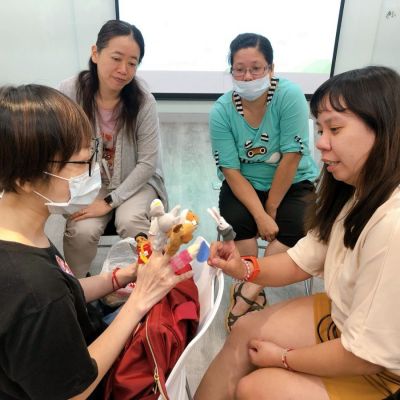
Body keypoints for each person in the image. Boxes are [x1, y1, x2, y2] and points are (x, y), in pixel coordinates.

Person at [194, 66, 400, 399]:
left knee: (255, 388)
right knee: (246, 330)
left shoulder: (392, 225)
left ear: (384, 128)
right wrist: (243, 267)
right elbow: (300, 260)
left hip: (379, 365)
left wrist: (284, 358)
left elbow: (366, 354)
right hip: (347, 320)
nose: (320, 143)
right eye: (320, 129)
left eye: (334, 129)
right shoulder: (353, 192)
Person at [0, 84, 191, 400]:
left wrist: (120, 277)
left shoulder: (19, 232)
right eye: (80, 164)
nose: (93, 174)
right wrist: (140, 299)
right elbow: (74, 392)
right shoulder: (34, 289)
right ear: (25, 178)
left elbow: (64, 290)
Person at [209, 33, 319, 330]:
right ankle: (252, 284)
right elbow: (231, 170)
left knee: (296, 225)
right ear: (231, 70)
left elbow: (292, 156)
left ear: (271, 68)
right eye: (239, 69)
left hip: (292, 181)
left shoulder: (289, 96)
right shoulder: (221, 111)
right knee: (237, 222)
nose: (247, 76)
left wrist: (270, 209)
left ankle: (248, 290)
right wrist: (259, 215)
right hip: (244, 183)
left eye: (256, 68)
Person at [58, 19, 167, 278]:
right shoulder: (69, 91)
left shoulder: (143, 101)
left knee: (132, 222)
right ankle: (78, 288)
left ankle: (142, 281)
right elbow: (58, 145)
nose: (123, 70)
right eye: (116, 58)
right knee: (81, 230)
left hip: (136, 181)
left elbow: (147, 164)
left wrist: (109, 202)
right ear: (95, 53)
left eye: (132, 63)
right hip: (89, 181)